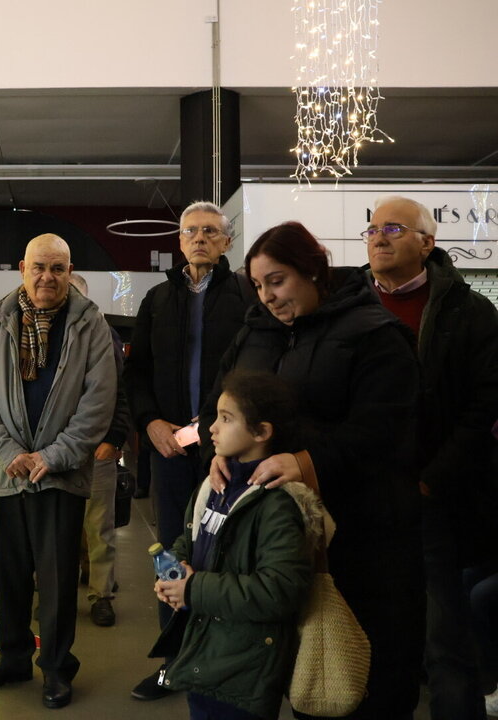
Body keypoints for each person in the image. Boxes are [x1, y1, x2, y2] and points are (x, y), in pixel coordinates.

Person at [202, 221, 424, 720]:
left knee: (365, 670)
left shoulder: (376, 335)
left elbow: (386, 429)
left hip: (365, 534)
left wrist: (307, 462)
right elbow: (219, 402)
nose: (268, 297)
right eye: (258, 286)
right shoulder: (255, 331)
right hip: (285, 534)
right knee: (304, 673)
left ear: (313, 269)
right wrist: (219, 450)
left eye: (277, 281)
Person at [0, 233, 116, 709]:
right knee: (7, 575)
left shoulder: (91, 326)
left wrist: (55, 456)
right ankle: (12, 657)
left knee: (55, 580)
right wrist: (7, 451)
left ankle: (55, 667)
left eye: (57, 268)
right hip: (7, 474)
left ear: (69, 273)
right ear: (22, 270)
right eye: (39, 268)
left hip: (60, 474)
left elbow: (98, 402)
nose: (47, 277)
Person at [363, 195, 498, 720]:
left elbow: (484, 409)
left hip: (431, 498)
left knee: (445, 637)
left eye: (393, 229)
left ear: (427, 242)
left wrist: (430, 480)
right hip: (361, 497)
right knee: (369, 632)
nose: (378, 237)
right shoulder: (351, 302)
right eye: (372, 229)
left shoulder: (469, 311)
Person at [123, 200, 254, 700]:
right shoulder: (157, 300)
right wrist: (150, 422)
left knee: (230, 553)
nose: (199, 238)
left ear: (226, 242)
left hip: (231, 449)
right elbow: (136, 374)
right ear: (179, 242)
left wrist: (219, 424)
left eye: (210, 232)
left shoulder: (246, 296)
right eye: (191, 231)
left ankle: (227, 662)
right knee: (173, 555)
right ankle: (174, 662)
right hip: (170, 451)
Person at [154, 370, 318, 720]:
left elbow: (279, 591)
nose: (211, 427)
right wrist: (176, 569)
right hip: (206, 653)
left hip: (243, 670)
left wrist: (194, 588)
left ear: (262, 432)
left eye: (226, 418)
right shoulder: (219, 481)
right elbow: (194, 534)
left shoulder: (276, 503)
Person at [69, 272, 132, 627]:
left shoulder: (104, 336)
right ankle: (71, 588)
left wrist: (115, 439)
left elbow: (119, 392)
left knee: (99, 527)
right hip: (58, 451)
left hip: (97, 448)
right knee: (64, 527)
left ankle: (101, 595)